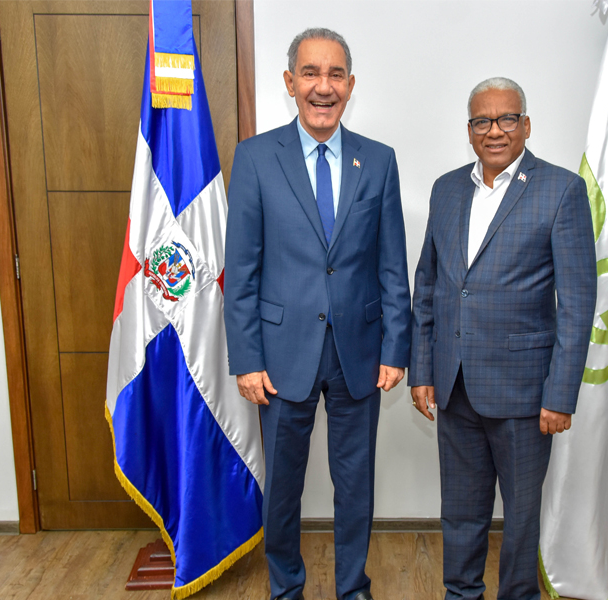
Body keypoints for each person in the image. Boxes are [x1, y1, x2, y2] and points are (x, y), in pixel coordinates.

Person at [224, 28, 411, 600]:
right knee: (282, 489)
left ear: (350, 86)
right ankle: (287, 588)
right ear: (289, 83)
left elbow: (391, 263)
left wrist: (396, 348)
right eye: (310, 73)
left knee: (356, 487)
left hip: (359, 353)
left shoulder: (378, 161)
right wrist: (248, 358)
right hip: (280, 358)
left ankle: (353, 588)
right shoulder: (256, 158)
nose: (322, 87)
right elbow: (242, 272)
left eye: (334, 75)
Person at [409, 77, 597, 600]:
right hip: (455, 386)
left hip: (524, 394)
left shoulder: (560, 190)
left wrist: (560, 396)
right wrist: (422, 370)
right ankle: (461, 593)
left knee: (520, 518)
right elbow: (428, 286)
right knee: (461, 512)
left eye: (506, 118)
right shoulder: (446, 189)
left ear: (526, 125)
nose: (495, 130)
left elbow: (578, 305)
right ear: (469, 130)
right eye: (482, 121)